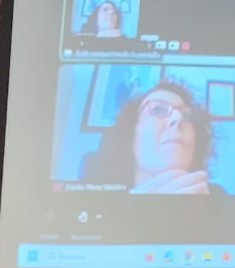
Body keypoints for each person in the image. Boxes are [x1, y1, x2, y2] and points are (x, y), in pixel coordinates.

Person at [84, 79, 222, 194]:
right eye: (158, 110)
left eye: (186, 115)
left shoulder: (219, 199)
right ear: (130, 134)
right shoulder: (94, 200)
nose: (178, 118)